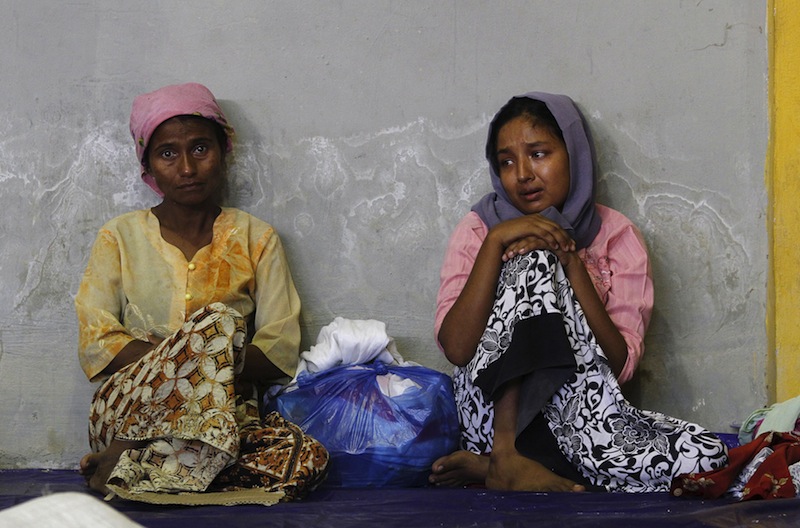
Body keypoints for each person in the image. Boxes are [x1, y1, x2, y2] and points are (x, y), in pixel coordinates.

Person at [429, 92, 727, 492]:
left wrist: (570, 261)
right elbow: (456, 348)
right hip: (490, 415)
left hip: (581, 419)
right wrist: (497, 242)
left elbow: (620, 367)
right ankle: (505, 458)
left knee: (708, 455)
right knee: (531, 259)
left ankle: (516, 469)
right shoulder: (480, 229)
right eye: (507, 162)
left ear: (574, 154)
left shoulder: (617, 236)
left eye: (538, 153)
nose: (522, 174)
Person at [75, 83, 328, 503]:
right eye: (168, 153)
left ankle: (134, 469)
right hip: (128, 411)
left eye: (199, 148)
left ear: (223, 152)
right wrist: (192, 349)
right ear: (149, 167)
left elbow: (280, 348)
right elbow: (97, 339)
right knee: (221, 322)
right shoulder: (118, 237)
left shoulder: (256, 238)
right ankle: (130, 452)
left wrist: (194, 354)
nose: (187, 168)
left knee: (306, 459)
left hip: (224, 420)